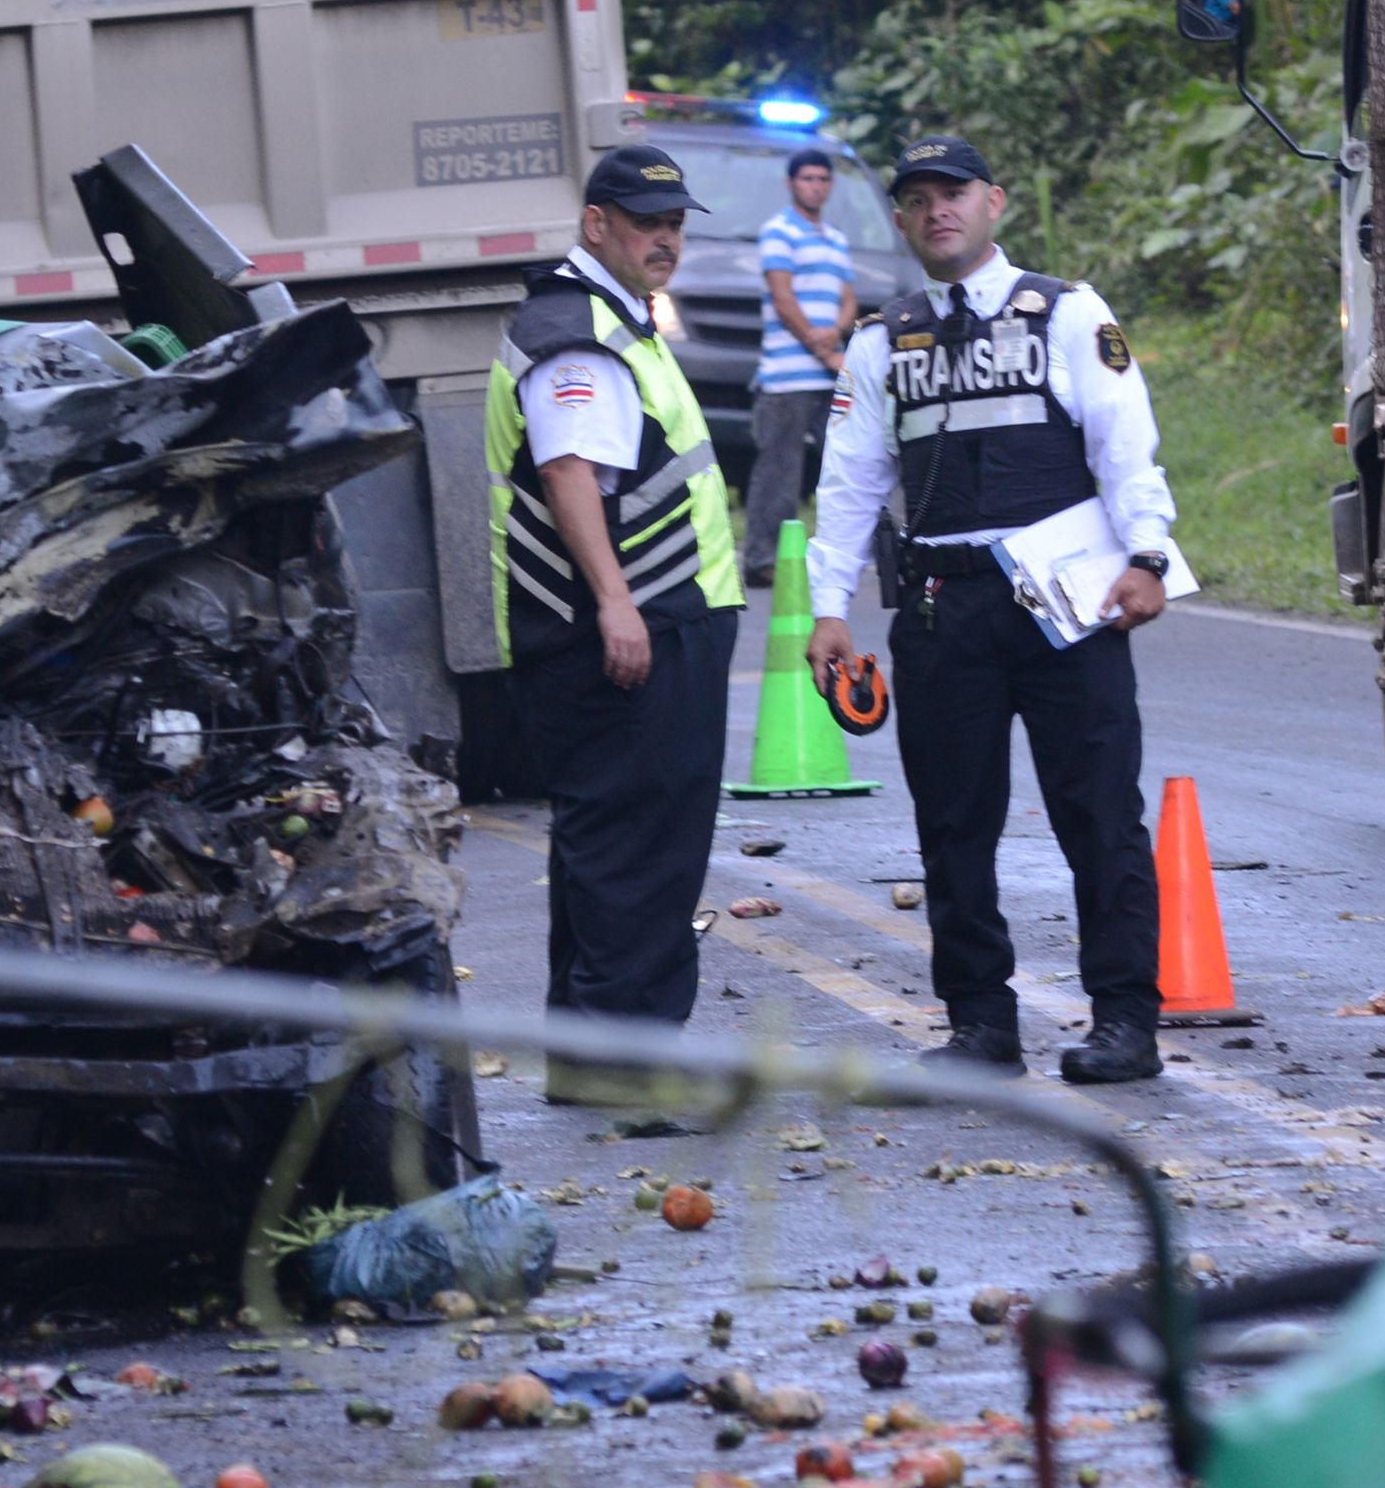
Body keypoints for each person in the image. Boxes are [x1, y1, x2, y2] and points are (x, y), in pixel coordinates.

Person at [802, 136, 1189, 1085]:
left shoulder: (1067, 313)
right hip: (944, 608)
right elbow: (849, 484)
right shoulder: (878, 340)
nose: (940, 210)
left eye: (956, 194)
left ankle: (1125, 1021)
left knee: (1099, 815)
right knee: (953, 824)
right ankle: (981, 1025)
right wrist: (828, 609)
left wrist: (1145, 556)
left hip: (1069, 606)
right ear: (900, 219)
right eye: (920, 198)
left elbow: (1123, 445)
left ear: (995, 203)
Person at [482, 142, 748, 1068]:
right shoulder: (576, 330)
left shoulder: (609, 316)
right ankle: (625, 1067)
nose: (664, 239)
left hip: (648, 618)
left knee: (609, 847)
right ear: (596, 224)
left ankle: (595, 1058)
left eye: (674, 223)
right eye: (645, 222)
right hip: (631, 629)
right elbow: (567, 470)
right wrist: (617, 604)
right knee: (643, 851)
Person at [744, 149, 861, 580]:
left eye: (823, 179)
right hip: (786, 376)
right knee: (779, 472)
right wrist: (823, 347)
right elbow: (783, 297)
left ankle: (844, 554)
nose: (816, 185)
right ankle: (762, 560)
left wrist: (836, 332)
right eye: (808, 178)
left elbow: (848, 298)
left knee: (846, 464)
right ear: (791, 183)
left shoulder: (836, 239)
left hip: (828, 371)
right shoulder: (777, 232)